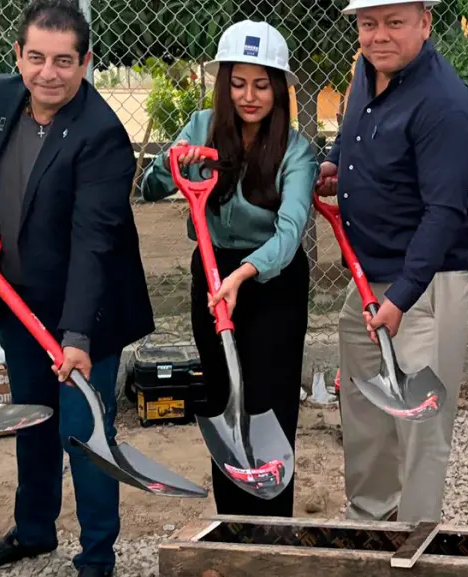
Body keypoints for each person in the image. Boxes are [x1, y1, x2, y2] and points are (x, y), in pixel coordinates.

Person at [0, 1, 155, 576]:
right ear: (18, 56)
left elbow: (95, 245)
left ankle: (97, 558)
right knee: (30, 419)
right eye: (37, 57)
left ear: (85, 62)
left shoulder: (102, 137)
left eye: (64, 61)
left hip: (86, 310)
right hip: (20, 300)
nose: (49, 72)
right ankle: (36, 531)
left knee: (84, 432)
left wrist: (77, 337)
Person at [139, 20, 317, 517]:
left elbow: (289, 232)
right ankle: (232, 521)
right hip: (212, 274)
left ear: (279, 88)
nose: (249, 96)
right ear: (223, 83)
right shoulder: (200, 127)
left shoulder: (296, 149)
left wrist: (243, 275)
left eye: (262, 84)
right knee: (223, 396)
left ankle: (272, 527)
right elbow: (150, 190)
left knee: (271, 400)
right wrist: (169, 163)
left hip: (272, 282)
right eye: (238, 83)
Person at [316, 0, 468, 523]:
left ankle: (415, 537)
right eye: (369, 24)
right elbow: (355, 136)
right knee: (365, 411)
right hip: (368, 281)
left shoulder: (445, 104)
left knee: (421, 424)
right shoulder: (367, 73)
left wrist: (403, 298)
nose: (379, 35)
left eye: (394, 22)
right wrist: (336, 161)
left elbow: (444, 213)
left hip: (426, 285)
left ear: (425, 22)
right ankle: (371, 518)